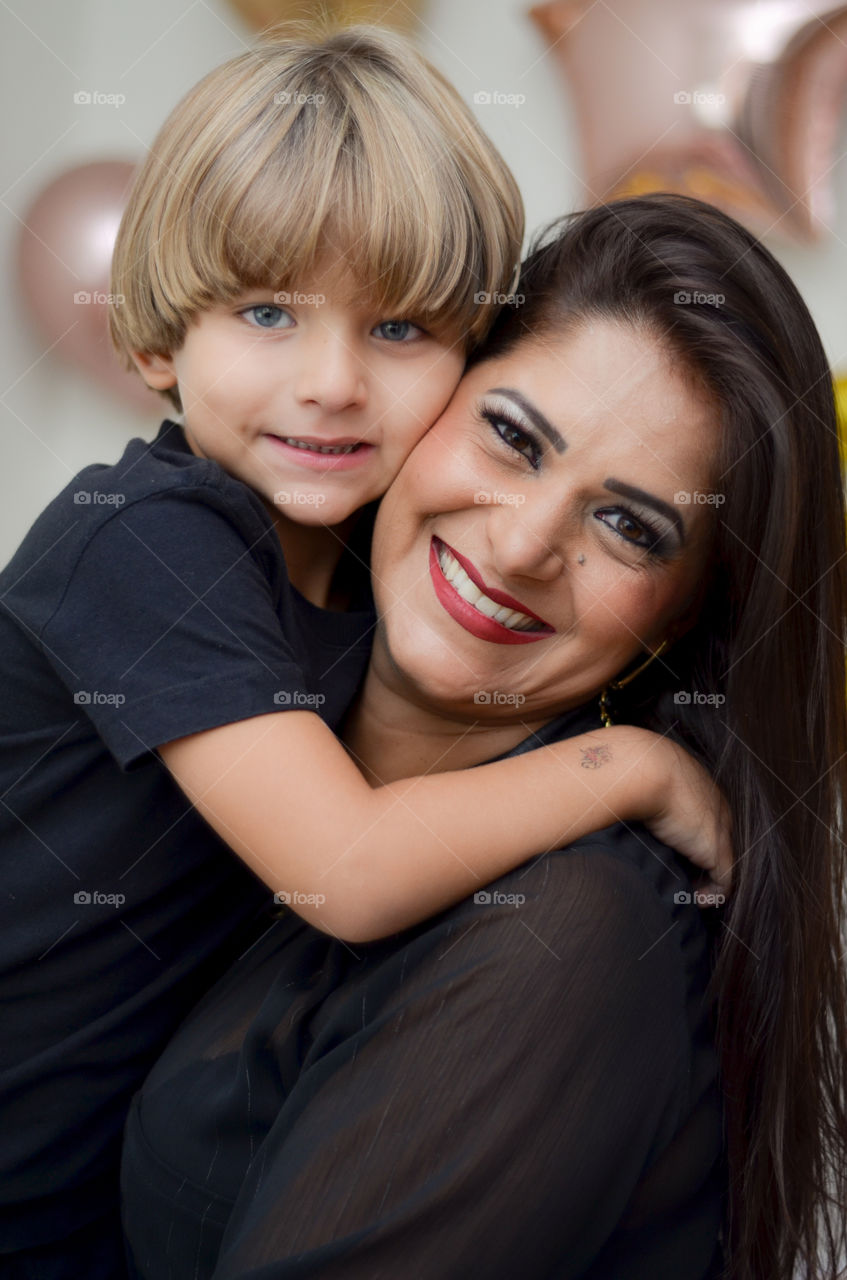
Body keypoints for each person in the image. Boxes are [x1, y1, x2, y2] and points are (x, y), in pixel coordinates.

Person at [0, 29, 727, 1279]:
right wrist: (633, 773)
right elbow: (344, 869)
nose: (331, 381)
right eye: (267, 311)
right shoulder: (147, 539)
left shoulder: (350, 579)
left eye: (398, 327)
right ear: (157, 344)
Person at [120, 195, 847, 1280]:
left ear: (684, 615)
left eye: (628, 524)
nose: (518, 545)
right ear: (424, 401)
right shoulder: (246, 727)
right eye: (511, 436)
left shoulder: (570, 930)